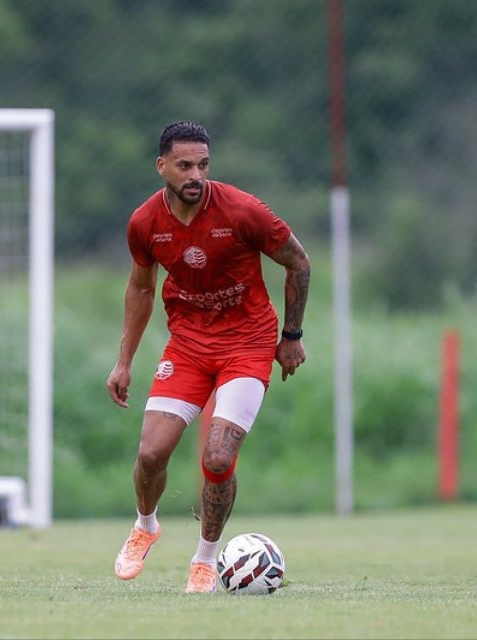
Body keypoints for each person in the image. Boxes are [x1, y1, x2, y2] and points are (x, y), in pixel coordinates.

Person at [106, 121, 310, 594]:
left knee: (218, 457)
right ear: (162, 167)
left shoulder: (242, 210)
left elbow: (298, 261)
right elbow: (140, 288)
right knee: (151, 452)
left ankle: (205, 558)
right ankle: (145, 524)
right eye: (184, 166)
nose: (195, 174)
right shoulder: (144, 223)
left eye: (203, 165)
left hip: (247, 343)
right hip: (189, 345)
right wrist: (124, 361)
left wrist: (292, 336)